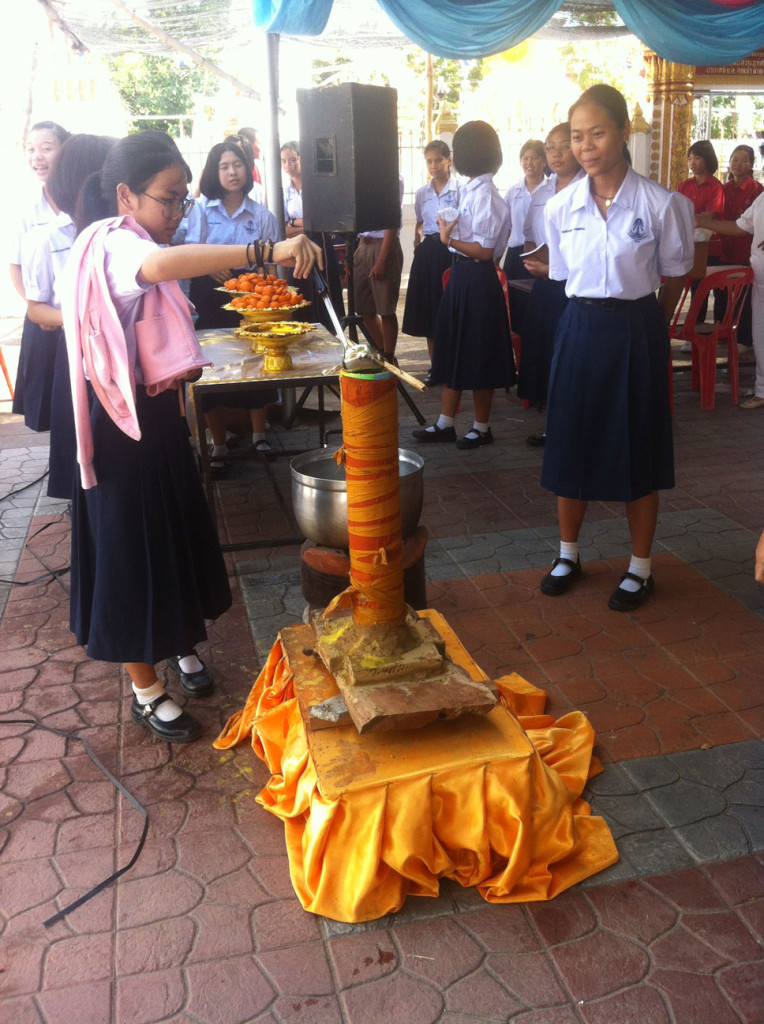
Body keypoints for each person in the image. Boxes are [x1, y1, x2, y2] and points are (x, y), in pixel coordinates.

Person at [60, 130, 321, 744]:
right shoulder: (118, 246)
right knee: (130, 550)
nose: (178, 213)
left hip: (156, 422)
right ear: (126, 195)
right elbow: (160, 268)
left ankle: (176, 642)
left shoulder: (137, 234)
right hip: (119, 427)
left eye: (183, 200)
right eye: (169, 200)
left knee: (171, 534)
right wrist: (263, 250)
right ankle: (144, 686)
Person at [539, 84, 694, 611]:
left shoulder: (661, 203)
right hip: (579, 330)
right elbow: (564, 276)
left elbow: (675, 272)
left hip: (636, 331)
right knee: (570, 439)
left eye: (597, 133)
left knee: (638, 445)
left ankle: (640, 567)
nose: (585, 146)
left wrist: (651, 319)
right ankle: (567, 554)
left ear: (624, 132)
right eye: (577, 137)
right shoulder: (560, 207)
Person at [412, 120, 515, 450]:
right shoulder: (471, 189)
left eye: (459, 149)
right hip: (462, 277)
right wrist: (450, 237)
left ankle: (481, 427)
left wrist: (448, 239)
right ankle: (445, 422)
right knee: (453, 345)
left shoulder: (485, 195)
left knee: (479, 352)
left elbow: (484, 251)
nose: (454, 155)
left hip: (477, 278)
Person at [24, 134, 116, 499]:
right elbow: (37, 309)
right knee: (85, 456)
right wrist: (81, 318)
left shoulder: (120, 234)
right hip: (77, 357)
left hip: (121, 354)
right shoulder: (46, 239)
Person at [185, 137, 279, 461]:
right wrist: (213, 267)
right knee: (213, 365)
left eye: (237, 164)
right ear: (214, 172)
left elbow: (269, 264)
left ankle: (259, 436)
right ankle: (219, 444)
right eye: (223, 166)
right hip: (209, 296)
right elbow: (190, 253)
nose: (231, 172)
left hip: (251, 295)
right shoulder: (199, 210)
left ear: (248, 169)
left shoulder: (262, 215)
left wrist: (267, 292)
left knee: (255, 361)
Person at [517, 125, 583, 447]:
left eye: (564, 146)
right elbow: (530, 234)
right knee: (546, 352)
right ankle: (553, 424)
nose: (556, 154)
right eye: (550, 147)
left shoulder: (591, 187)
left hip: (577, 288)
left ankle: (575, 425)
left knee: (572, 356)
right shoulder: (542, 192)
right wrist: (536, 261)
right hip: (545, 284)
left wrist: (554, 266)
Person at [10, 120, 70, 431]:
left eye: (46, 148)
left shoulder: (81, 200)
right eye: (31, 150)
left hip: (82, 317)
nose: (38, 157)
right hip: (45, 324)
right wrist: (39, 310)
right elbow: (15, 265)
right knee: (49, 409)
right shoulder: (26, 208)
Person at [697, 189, 764, 409]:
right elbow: (738, 227)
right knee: (760, 333)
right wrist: (700, 222)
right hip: (760, 280)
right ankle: (762, 390)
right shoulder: (762, 199)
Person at [401, 140, 459, 384]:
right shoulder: (423, 193)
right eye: (429, 161)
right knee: (429, 312)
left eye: (438, 160)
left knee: (450, 310)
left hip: (452, 252)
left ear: (449, 160)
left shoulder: (460, 190)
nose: (434, 166)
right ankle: (436, 367)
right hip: (428, 254)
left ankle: (455, 366)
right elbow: (420, 222)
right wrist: (417, 244)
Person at [280, 140, 346, 330]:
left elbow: (324, 222)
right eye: (284, 161)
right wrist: (306, 224)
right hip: (295, 247)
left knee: (327, 292)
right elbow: (284, 228)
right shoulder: (283, 192)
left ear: (303, 159)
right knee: (302, 294)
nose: (288, 165)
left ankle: (333, 332)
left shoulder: (317, 187)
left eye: (293, 159)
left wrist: (295, 222)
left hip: (321, 245)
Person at [713, 145, 762, 347]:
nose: (738, 164)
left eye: (743, 160)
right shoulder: (722, 190)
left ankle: (743, 338)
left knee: (745, 298)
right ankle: (719, 334)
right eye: (735, 159)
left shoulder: (758, 191)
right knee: (721, 294)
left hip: (745, 251)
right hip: (724, 248)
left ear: (751, 165)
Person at [353, 175, 405, 362]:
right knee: (364, 309)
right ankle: (383, 353)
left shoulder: (392, 178)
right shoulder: (360, 176)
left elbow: (391, 220)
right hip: (362, 245)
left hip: (383, 246)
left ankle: (389, 356)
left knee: (385, 308)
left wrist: (382, 259)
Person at [500, 139, 546, 334]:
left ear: (544, 161)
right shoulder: (513, 192)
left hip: (543, 256)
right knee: (515, 310)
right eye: (525, 158)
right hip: (516, 257)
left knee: (539, 311)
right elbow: (505, 228)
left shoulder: (552, 189)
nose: (529, 163)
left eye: (535, 158)